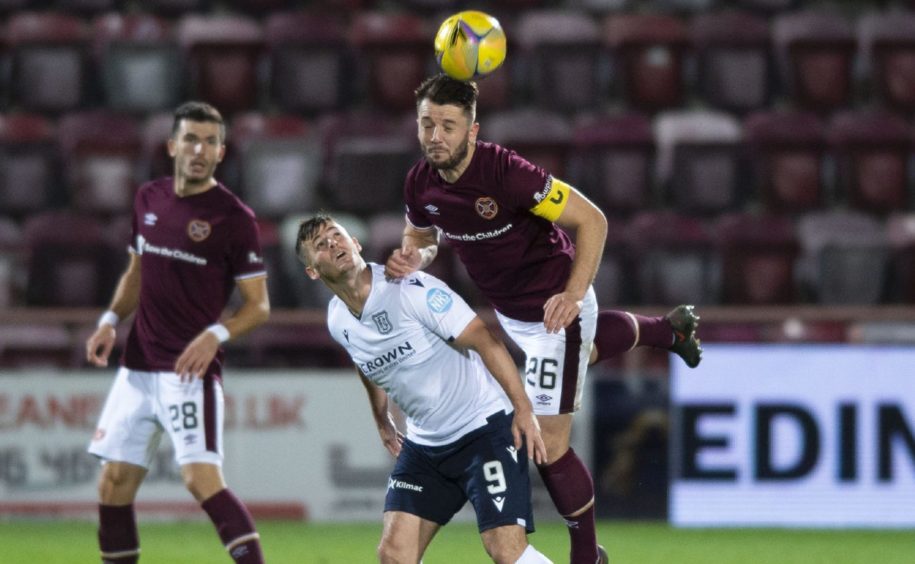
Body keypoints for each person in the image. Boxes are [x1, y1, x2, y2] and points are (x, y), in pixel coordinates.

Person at [385, 74, 703, 564]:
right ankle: (666, 330)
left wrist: (574, 295)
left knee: (547, 443)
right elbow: (422, 237)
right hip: (511, 315)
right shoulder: (419, 181)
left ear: (472, 131)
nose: (435, 136)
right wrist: (415, 258)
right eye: (427, 123)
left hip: (556, 313)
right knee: (585, 357)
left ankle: (586, 556)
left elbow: (592, 219)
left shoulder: (507, 173)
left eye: (448, 125)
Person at [296, 213, 553, 564]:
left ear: (355, 243)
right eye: (321, 246)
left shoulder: (410, 289)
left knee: (505, 551)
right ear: (312, 270)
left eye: (337, 236)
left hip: (484, 430)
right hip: (426, 448)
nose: (334, 245)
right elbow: (364, 360)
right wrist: (381, 417)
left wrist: (522, 408)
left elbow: (485, 341)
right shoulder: (336, 318)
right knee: (393, 555)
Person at [85, 101, 270, 564]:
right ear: (172, 145)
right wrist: (110, 320)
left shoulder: (234, 219)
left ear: (221, 152)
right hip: (137, 366)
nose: (199, 149)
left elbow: (258, 306)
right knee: (113, 484)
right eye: (191, 138)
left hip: (188, 372)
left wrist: (216, 336)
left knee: (200, 479)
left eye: (210, 141)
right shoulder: (148, 197)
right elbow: (136, 272)